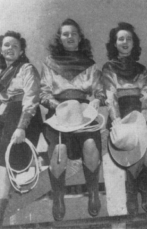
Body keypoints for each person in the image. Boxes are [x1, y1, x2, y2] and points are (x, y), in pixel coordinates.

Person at [0, 31, 42, 227]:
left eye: (14, 46)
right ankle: (5, 179)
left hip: (24, 116)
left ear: (21, 52)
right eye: (6, 45)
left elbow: (31, 100)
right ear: (1, 50)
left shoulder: (26, 69)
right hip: (8, 115)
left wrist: (21, 127)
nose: (9, 48)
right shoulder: (3, 77)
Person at [40, 18, 105, 220]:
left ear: (79, 38)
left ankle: (93, 192)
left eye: (73, 33)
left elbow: (100, 92)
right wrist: (57, 106)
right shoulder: (49, 63)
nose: (69, 37)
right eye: (65, 34)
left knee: (90, 144)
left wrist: (96, 101)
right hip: (59, 113)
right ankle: (59, 197)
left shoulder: (90, 65)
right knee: (59, 150)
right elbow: (43, 93)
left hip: (83, 113)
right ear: (60, 38)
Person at [102, 22, 147, 215]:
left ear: (134, 43)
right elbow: (110, 95)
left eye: (129, 38)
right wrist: (116, 118)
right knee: (133, 138)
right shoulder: (109, 67)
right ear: (115, 43)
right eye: (121, 39)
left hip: (141, 112)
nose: (125, 42)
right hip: (121, 112)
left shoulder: (141, 68)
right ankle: (132, 192)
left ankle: (144, 185)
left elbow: (146, 93)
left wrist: (145, 112)